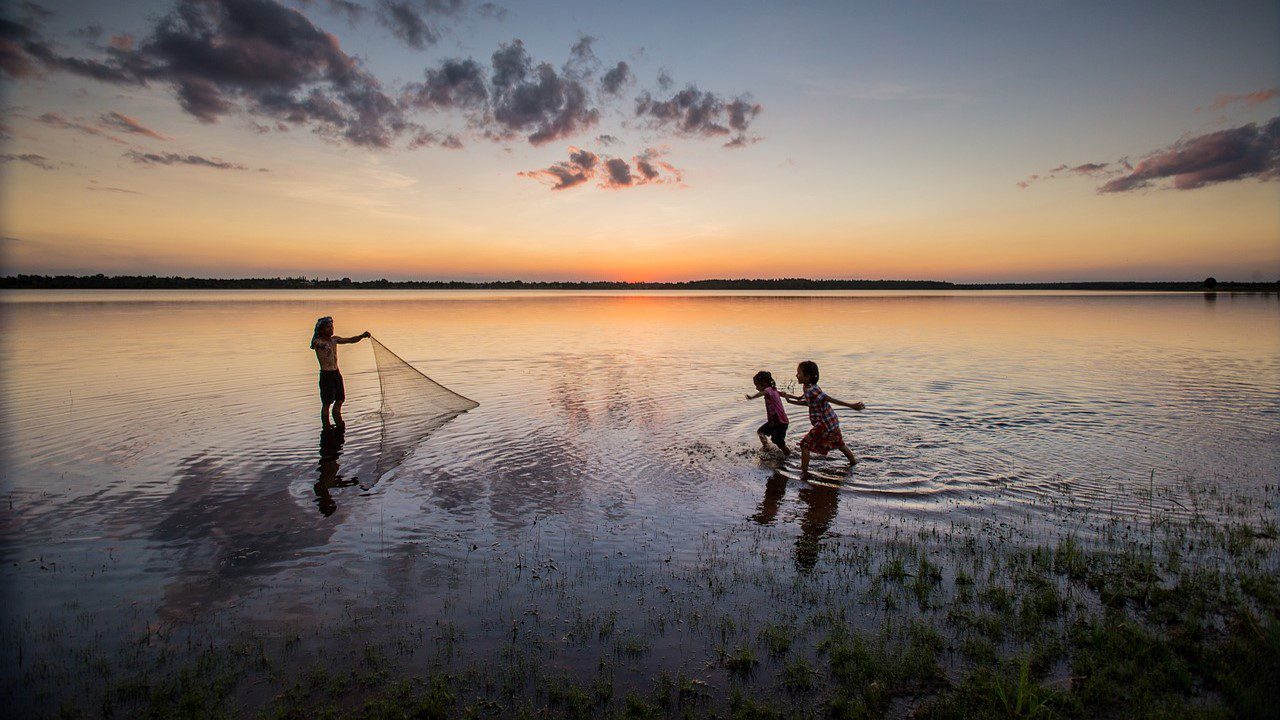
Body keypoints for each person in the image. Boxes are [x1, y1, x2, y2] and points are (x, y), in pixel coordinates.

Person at [781, 360, 864, 475]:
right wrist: (791, 400)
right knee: (839, 444)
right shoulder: (807, 387)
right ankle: (854, 464)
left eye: (799, 373)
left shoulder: (812, 389)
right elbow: (808, 402)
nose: (796, 375)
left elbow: (828, 399)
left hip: (825, 423)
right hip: (831, 421)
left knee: (804, 445)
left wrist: (851, 405)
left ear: (807, 376)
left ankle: (804, 473)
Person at [309, 316, 370, 428]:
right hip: (327, 375)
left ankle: (338, 421)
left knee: (340, 399)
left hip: (336, 373)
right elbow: (314, 345)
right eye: (328, 327)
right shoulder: (319, 341)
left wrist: (362, 336)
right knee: (327, 403)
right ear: (321, 330)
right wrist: (323, 345)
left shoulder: (334, 340)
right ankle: (326, 427)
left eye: (332, 326)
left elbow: (350, 340)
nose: (331, 329)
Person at [744, 370, 790, 455]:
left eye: (757, 385)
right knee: (761, 432)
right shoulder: (774, 390)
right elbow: (783, 394)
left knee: (778, 441)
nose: (756, 388)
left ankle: (788, 454)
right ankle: (766, 447)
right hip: (774, 421)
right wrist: (796, 398)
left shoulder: (769, 389)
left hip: (780, 422)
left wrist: (752, 397)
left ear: (764, 384)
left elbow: (762, 393)